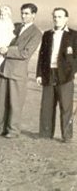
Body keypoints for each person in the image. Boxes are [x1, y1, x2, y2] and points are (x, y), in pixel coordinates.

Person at [0, 3, 42, 138]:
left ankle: (13, 131)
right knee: (1, 102)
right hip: (4, 69)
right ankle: (1, 128)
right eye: (22, 13)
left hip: (18, 72)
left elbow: (26, 53)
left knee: (15, 102)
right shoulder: (15, 26)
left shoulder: (36, 33)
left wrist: (7, 50)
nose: (23, 16)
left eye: (26, 13)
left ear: (33, 15)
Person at [36, 8, 75, 143]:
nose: (57, 19)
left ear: (66, 19)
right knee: (47, 105)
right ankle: (45, 134)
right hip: (48, 74)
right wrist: (39, 74)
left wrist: (73, 72)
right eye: (55, 17)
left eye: (60, 17)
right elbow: (41, 56)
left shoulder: (73, 35)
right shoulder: (47, 34)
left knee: (66, 106)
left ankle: (66, 136)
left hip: (65, 76)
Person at [0, 5, 15, 76]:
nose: (2, 16)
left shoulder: (10, 23)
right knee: (2, 55)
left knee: (5, 56)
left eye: (4, 15)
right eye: (1, 15)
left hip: (8, 42)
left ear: (8, 15)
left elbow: (11, 33)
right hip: (0, 42)